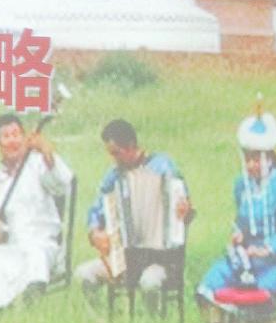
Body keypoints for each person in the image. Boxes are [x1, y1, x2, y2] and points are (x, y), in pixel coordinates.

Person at [196, 108, 276, 313]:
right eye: (247, 160)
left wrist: (265, 249)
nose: (250, 165)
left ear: (269, 158)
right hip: (249, 259)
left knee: (257, 289)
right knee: (213, 279)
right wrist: (238, 236)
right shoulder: (243, 185)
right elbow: (240, 222)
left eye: (256, 160)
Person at [0, 114, 74, 318]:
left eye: (16, 134)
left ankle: (28, 313)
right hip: (11, 246)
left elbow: (63, 184)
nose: (12, 140)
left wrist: (47, 152)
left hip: (42, 244)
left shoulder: (39, 165)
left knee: (35, 260)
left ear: (25, 138)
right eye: (6, 136)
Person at [74, 119, 192, 306]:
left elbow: (185, 209)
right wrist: (95, 232)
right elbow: (96, 209)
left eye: (117, 153)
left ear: (130, 146)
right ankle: (101, 321)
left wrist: (185, 210)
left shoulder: (163, 167)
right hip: (123, 259)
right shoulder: (113, 177)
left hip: (161, 260)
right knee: (83, 274)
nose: (114, 159)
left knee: (149, 283)